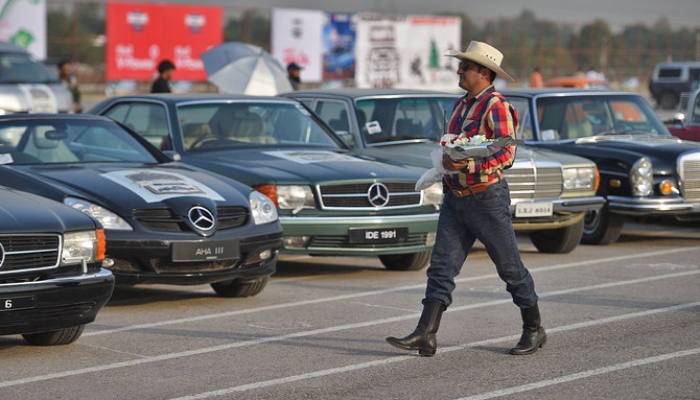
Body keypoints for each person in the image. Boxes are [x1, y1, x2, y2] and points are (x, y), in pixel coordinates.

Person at [386, 40, 546, 357]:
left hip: (487, 198)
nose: (459, 70)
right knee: (441, 268)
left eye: (466, 66)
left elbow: (507, 153)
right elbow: (455, 146)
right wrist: (445, 162)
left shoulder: (496, 106)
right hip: (456, 196)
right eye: (461, 65)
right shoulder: (460, 105)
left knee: (510, 269)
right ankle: (425, 334)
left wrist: (470, 164)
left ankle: (534, 329)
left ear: (484, 73)